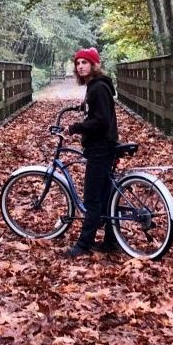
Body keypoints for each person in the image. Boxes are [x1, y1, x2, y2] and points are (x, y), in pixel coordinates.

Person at [65, 47, 120, 258]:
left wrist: (76, 127)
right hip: (104, 145)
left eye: (84, 63)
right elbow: (97, 111)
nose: (80, 67)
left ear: (94, 65)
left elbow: (102, 120)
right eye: (78, 63)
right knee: (106, 196)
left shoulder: (98, 88)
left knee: (92, 199)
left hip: (101, 148)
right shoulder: (96, 87)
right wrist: (81, 110)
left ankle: (83, 244)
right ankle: (111, 240)